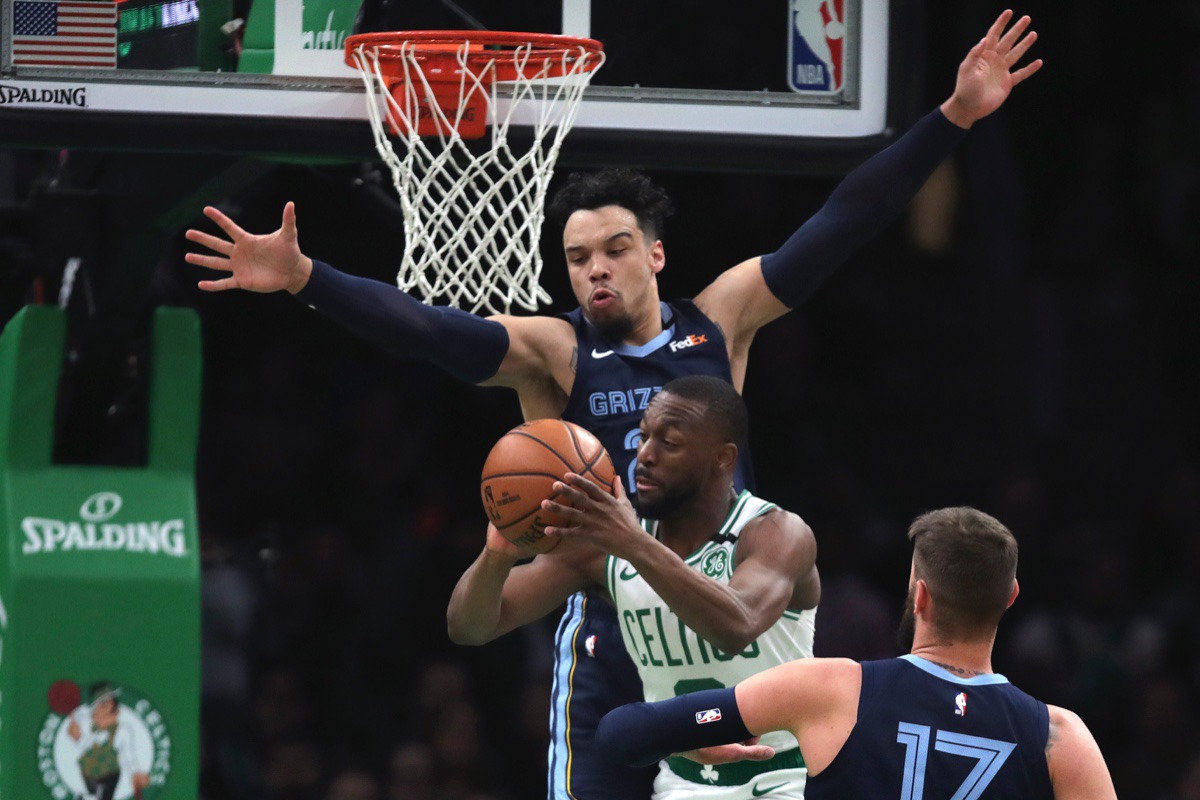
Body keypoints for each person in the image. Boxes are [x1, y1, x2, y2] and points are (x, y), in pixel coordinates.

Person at [185, 13, 1041, 798]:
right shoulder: (552, 354)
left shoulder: (721, 318)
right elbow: (424, 330)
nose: (595, 268)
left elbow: (843, 220)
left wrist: (953, 117)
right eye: (578, 255)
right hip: (610, 625)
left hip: (722, 618)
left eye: (615, 249)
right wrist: (306, 279)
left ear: (655, 256)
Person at [447, 376, 820, 799]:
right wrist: (495, 558)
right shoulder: (606, 545)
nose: (644, 455)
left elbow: (736, 625)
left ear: (722, 458)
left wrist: (632, 542)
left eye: (669, 443)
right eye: (642, 437)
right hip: (682, 782)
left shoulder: (775, 533)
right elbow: (470, 628)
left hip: (789, 777)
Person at [595, 507, 1118, 800]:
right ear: (1011, 598)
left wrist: (685, 743)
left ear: (919, 594)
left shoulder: (831, 690)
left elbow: (621, 736)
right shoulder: (1060, 738)